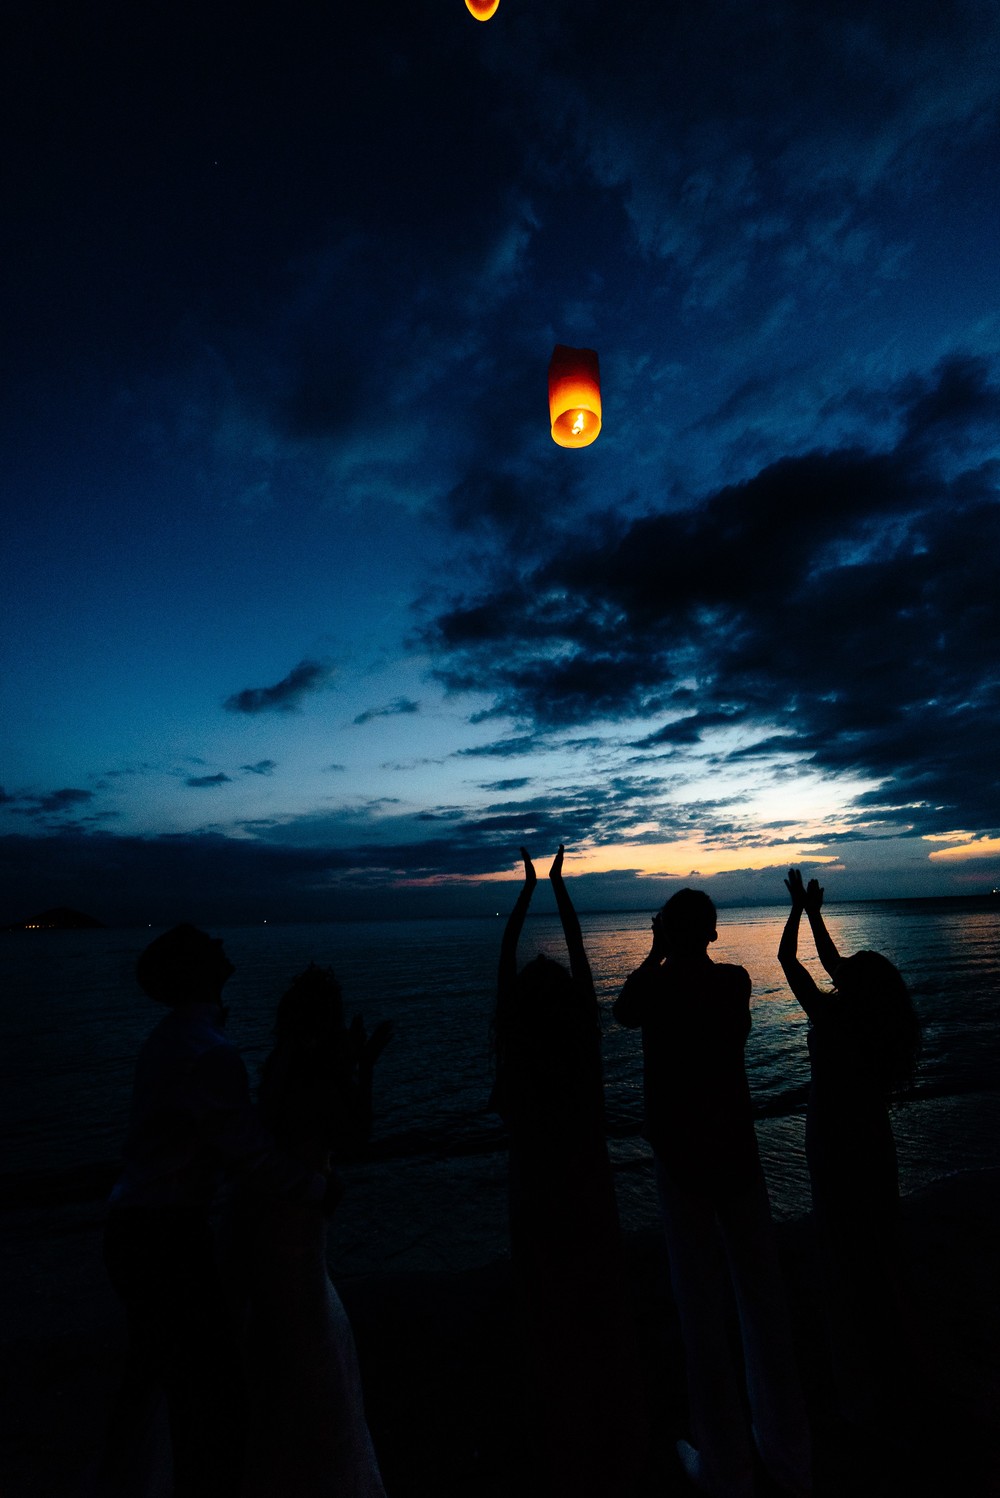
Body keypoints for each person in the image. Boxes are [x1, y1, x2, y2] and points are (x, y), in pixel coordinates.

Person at [100, 925, 329, 1498]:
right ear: (198, 969)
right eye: (208, 941)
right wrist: (316, 1189)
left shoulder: (173, 1039)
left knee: (164, 1379)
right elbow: (246, 1151)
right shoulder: (207, 1050)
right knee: (210, 1393)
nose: (222, 941)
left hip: (142, 1227)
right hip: (164, 1236)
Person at [615, 889, 811, 1498]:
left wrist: (654, 954)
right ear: (714, 933)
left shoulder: (659, 986)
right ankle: (789, 1458)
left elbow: (623, 1011)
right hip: (737, 1153)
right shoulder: (735, 982)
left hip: (683, 1161)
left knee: (699, 1310)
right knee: (763, 1303)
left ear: (669, 933)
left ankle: (727, 1467)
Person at [493, 846, 646, 1498]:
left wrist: (528, 892)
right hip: (589, 1199)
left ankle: (562, 1438)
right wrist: (557, 889)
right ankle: (608, 1439)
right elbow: (580, 959)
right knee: (597, 1316)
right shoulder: (582, 1042)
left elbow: (504, 964)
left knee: (548, 1318)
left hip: (536, 1200)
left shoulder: (516, 1049)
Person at [229, 963, 392, 1498]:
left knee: (287, 1327)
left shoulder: (281, 1063)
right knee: (311, 1334)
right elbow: (358, 1133)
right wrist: (365, 1064)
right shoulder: (319, 1075)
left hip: (274, 1212)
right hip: (300, 1217)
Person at [777, 869, 922, 1426]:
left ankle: (857, 1382)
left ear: (855, 987)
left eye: (845, 974)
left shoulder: (835, 1017)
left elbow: (792, 964)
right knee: (877, 1244)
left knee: (843, 1250)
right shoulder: (877, 1020)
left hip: (834, 1140)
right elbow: (835, 965)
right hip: (872, 1139)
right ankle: (892, 1358)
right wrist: (814, 914)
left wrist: (795, 910)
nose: (837, 973)